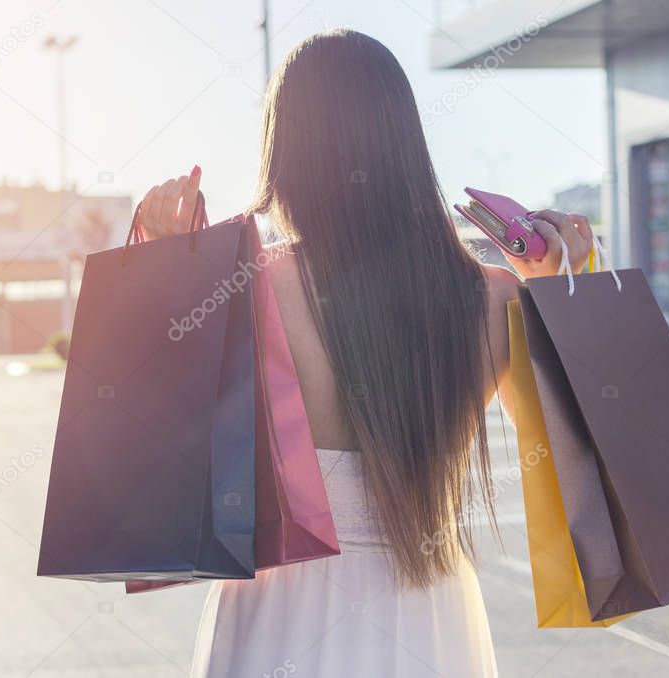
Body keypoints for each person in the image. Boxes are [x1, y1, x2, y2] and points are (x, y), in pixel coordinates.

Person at [135, 29, 592, 678]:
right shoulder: (497, 301)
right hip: (430, 613)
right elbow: (576, 455)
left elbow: (166, 457)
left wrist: (168, 264)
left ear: (284, 152)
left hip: (277, 612)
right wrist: (562, 292)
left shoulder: (247, 288)